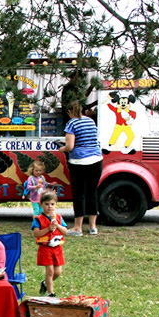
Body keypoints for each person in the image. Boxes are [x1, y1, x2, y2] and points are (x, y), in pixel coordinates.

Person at [59, 100, 103, 236]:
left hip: (79, 162)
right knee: (92, 193)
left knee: (79, 194)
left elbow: (70, 146)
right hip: (96, 160)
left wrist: (62, 148)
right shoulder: (90, 121)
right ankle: (92, 226)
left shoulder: (71, 123)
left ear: (70, 112)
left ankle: (78, 228)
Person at [32, 190, 68, 297]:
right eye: (46, 204)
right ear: (41, 204)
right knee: (50, 271)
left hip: (57, 248)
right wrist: (48, 229)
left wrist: (57, 225)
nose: (49, 207)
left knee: (58, 272)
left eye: (52, 204)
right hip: (45, 247)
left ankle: (45, 283)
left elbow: (65, 231)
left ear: (56, 205)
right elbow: (36, 233)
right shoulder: (38, 219)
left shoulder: (59, 218)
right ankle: (51, 293)